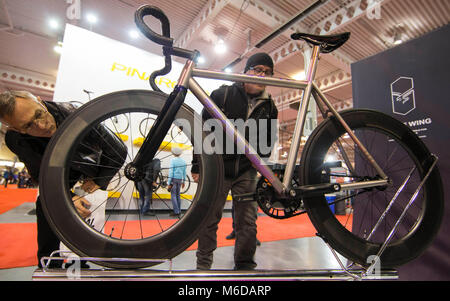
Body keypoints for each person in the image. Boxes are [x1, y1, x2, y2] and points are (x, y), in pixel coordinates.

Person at [0, 90, 127, 268]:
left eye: (39, 114)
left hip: (86, 167)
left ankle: (80, 261)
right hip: (54, 170)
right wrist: (67, 196)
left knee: (88, 209)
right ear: (16, 129)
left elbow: (118, 149)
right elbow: (40, 174)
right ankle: (49, 264)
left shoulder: (76, 114)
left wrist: (99, 181)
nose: (42, 126)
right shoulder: (16, 140)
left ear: (39, 100)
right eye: (29, 125)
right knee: (46, 204)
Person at [191, 53, 278, 270]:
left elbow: (269, 140)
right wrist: (197, 165)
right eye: (257, 69)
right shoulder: (223, 94)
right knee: (209, 219)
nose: (262, 75)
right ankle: (203, 267)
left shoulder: (270, 107)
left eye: (267, 72)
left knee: (247, 222)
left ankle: (245, 266)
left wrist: (259, 164)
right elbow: (202, 130)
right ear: (245, 71)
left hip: (247, 172)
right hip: (218, 167)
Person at [167, 147, 186, 217]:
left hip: (173, 179)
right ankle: (179, 210)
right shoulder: (183, 161)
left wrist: (169, 182)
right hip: (180, 180)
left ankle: (176, 211)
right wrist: (184, 181)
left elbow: (171, 171)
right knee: (178, 195)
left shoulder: (173, 160)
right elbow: (184, 172)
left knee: (173, 195)